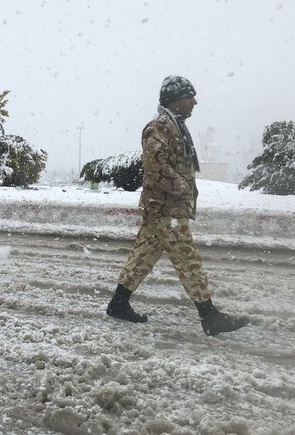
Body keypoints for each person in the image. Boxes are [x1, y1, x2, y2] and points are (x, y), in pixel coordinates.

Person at [106, 76, 249, 336]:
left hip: (163, 207)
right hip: (166, 209)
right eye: (189, 96)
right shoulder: (160, 127)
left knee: (144, 255)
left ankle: (118, 303)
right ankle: (209, 316)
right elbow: (155, 165)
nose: (195, 102)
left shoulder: (174, 125)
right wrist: (181, 187)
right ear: (174, 100)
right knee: (187, 258)